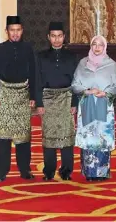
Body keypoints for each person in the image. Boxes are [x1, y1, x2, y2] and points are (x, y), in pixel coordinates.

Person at [0, 15, 37, 182]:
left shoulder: (28, 48)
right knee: (4, 135)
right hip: (4, 94)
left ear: (22, 31)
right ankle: (1, 171)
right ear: (7, 31)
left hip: (23, 94)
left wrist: (33, 96)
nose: (15, 33)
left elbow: (33, 73)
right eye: (12, 30)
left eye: (18, 30)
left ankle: (25, 170)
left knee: (23, 135)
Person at [36, 22, 79, 181]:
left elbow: (76, 81)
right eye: (53, 36)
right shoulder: (40, 56)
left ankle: (66, 170)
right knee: (49, 136)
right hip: (47, 100)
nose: (56, 39)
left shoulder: (72, 57)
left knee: (67, 136)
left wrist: (74, 102)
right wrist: (39, 103)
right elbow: (37, 80)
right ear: (48, 37)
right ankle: (49, 170)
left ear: (64, 37)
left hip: (67, 98)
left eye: (59, 36)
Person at [72, 35, 116, 181]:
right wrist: (87, 91)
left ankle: (102, 172)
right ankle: (89, 172)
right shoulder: (82, 63)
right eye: (94, 45)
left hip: (104, 103)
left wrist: (105, 92)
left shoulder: (111, 64)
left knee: (102, 138)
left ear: (104, 47)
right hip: (87, 103)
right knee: (89, 138)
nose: (97, 48)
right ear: (90, 46)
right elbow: (74, 84)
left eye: (100, 45)